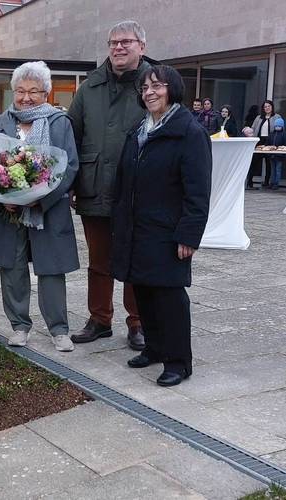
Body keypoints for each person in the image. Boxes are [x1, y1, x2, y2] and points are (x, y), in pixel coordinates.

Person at [112, 65, 212, 387]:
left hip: (168, 231)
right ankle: (154, 348)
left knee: (169, 297)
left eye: (157, 86)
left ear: (173, 89)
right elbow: (124, 181)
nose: (149, 92)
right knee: (143, 290)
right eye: (144, 88)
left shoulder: (189, 133)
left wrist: (189, 234)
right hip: (138, 228)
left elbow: (198, 191)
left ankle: (179, 361)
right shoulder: (139, 131)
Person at [0, 61, 80, 352]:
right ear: (13, 92)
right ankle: (19, 326)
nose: (26, 97)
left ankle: (59, 329)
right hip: (7, 214)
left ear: (46, 93)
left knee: (51, 268)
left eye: (34, 91)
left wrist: (39, 198)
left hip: (47, 209)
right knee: (13, 266)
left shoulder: (59, 123)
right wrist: (2, 196)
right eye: (20, 91)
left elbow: (68, 166)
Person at [67, 20, 152, 350]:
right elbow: (71, 136)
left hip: (137, 190)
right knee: (99, 260)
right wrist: (70, 183)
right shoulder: (89, 87)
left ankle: (138, 322)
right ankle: (100, 319)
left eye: (126, 42)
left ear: (141, 47)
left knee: (134, 258)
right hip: (94, 185)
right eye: (113, 42)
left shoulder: (153, 84)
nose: (118, 47)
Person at [248, 100, 283, 188]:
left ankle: (267, 182)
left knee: (269, 163)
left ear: (272, 107)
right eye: (265, 107)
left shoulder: (277, 117)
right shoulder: (259, 117)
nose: (267, 108)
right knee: (255, 161)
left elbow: (279, 129)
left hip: (270, 141)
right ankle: (250, 181)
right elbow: (253, 128)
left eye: (269, 106)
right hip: (259, 141)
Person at [269, 117, 285, 190]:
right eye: (276, 126)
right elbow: (268, 143)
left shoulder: (283, 135)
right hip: (272, 155)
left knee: (278, 169)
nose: (277, 127)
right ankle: (272, 182)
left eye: (279, 126)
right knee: (272, 169)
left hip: (279, 155)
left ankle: (276, 183)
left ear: (282, 127)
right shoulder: (272, 134)